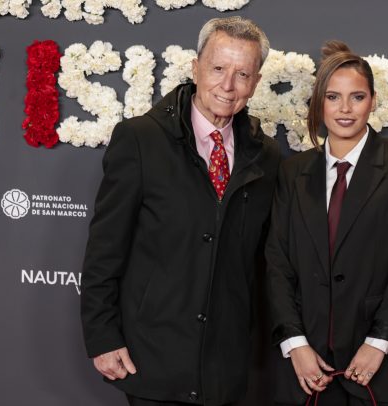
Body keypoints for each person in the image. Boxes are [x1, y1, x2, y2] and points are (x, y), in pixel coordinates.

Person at [80, 17, 280, 406]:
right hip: (151, 358)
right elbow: (105, 250)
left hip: (226, 365)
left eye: (242, 74)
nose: (228, 85)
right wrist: (103, 337)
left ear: (255, 83)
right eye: (218, 68)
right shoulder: (140, 139)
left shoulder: (266, 155)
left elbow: (260, 261)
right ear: (195, 68)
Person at [266, 41, 388, 406]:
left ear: (373, 100)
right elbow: (277, 262)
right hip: (307, 373)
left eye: (356, 97)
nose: (344, 109)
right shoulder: (292, 171)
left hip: (381, 368)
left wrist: (378, 343)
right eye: (332, 97)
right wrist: (295, 345)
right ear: (318, 102)